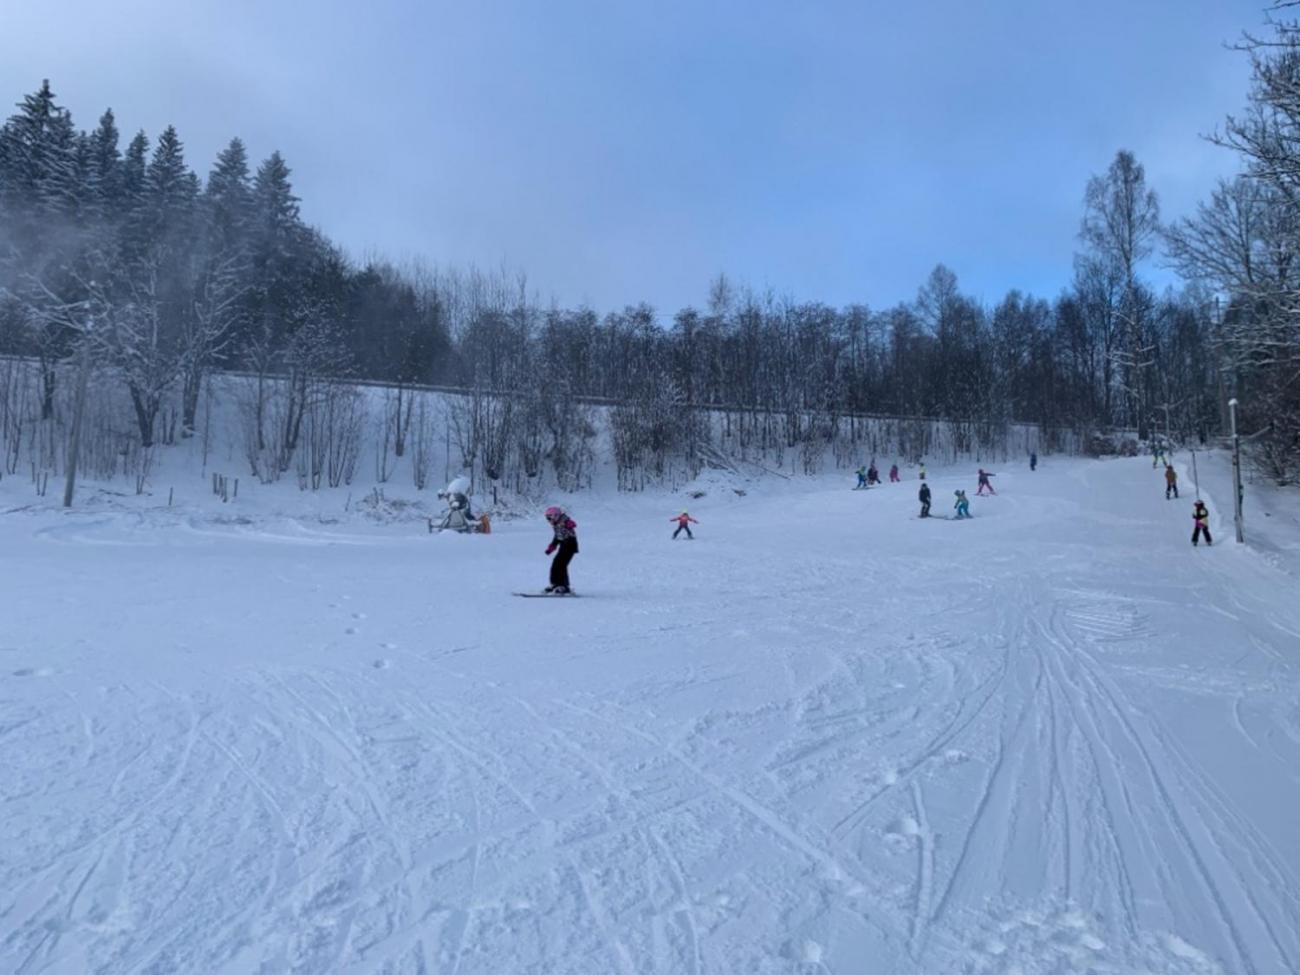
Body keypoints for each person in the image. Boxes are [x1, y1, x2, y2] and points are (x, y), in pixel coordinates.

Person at [543, 506, 579, 593]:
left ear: (555, 516)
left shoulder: (564, 521)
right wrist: (551, 547)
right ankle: (555, 584)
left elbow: (571, 524)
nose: (548, 521)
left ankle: (564, 586)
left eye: (549, 518)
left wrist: (569, 523)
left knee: (561, 565)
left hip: (570, 546)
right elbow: (557, 537)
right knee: (556, 564)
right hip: (563, 546)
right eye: (547, 518)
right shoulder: (556, 525)